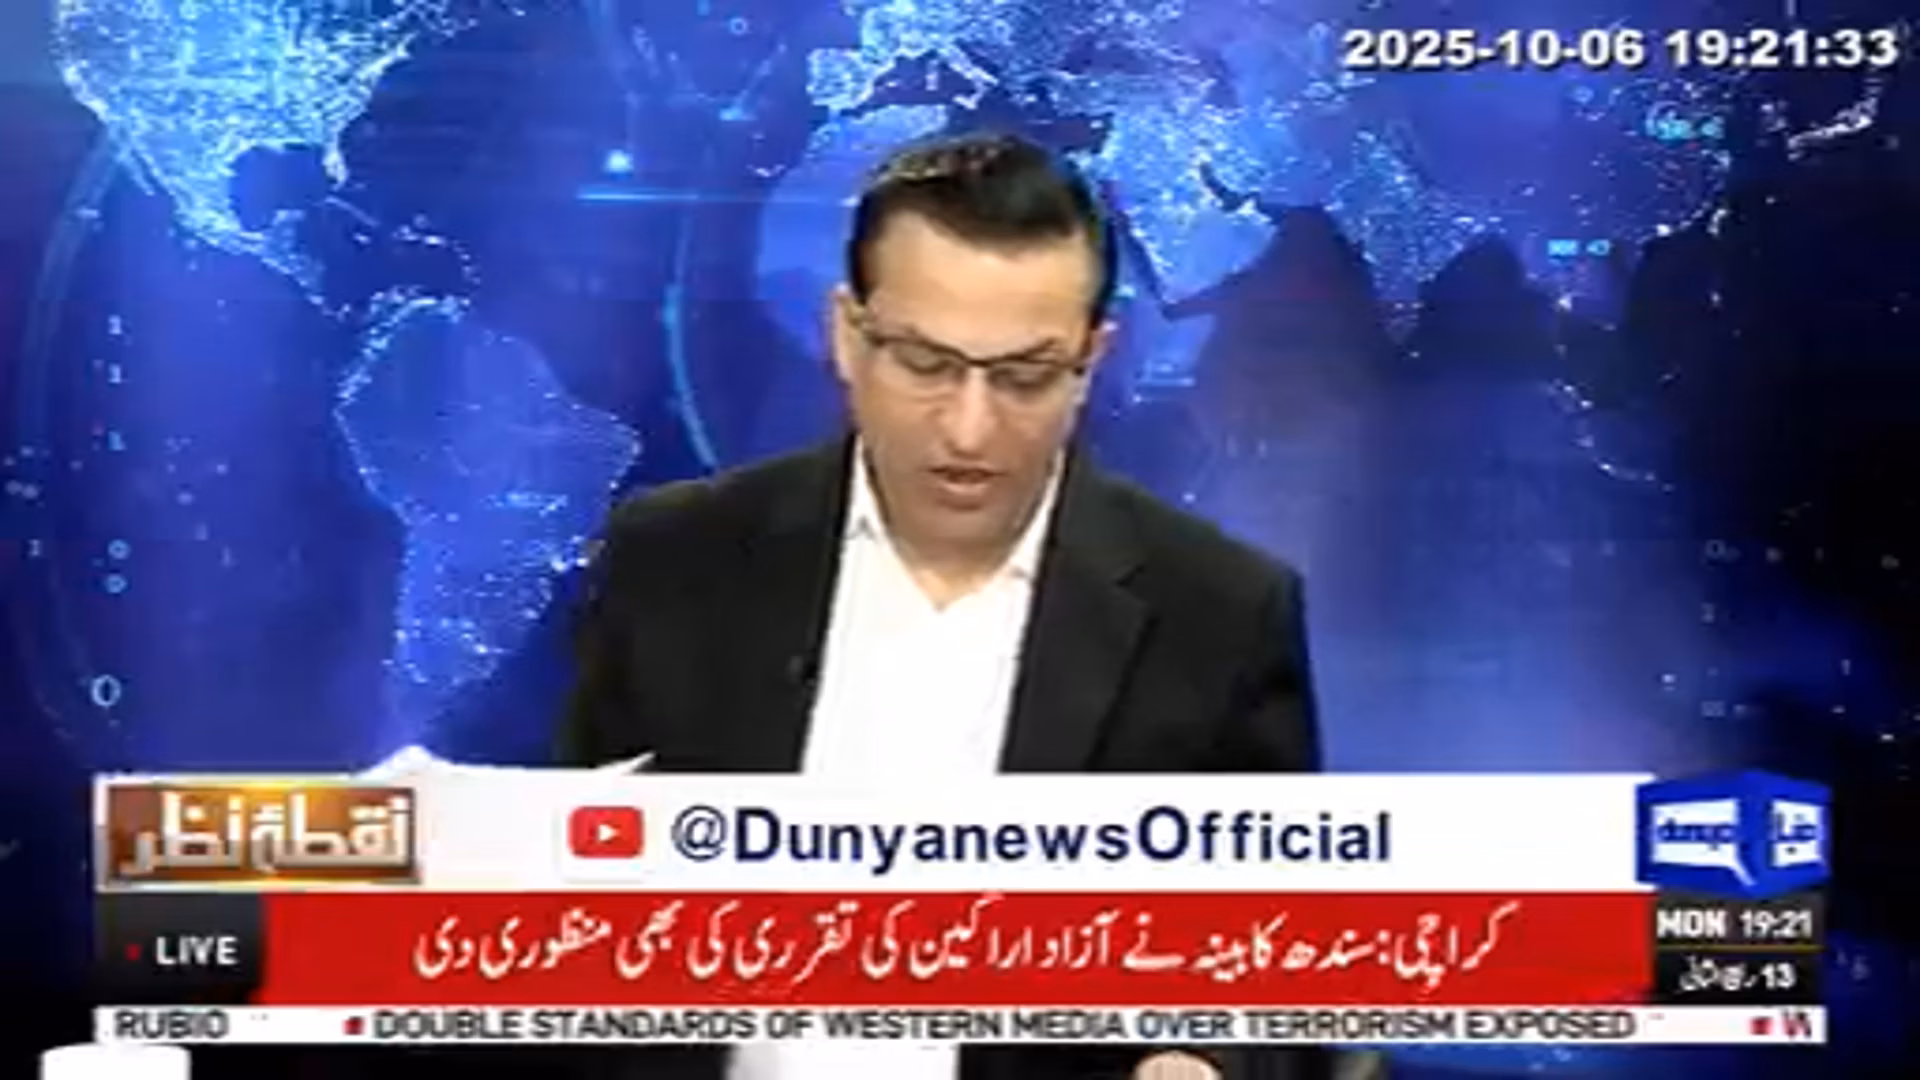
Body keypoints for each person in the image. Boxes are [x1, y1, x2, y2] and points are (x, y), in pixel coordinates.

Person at [561, 131, 1342, 1080]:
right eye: (926, 364)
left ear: (1091, 361)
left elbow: (1277, 978)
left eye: (1024, 375)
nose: (970, 429)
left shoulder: (1218, 614)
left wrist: (1206, 1056)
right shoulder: (675, 560)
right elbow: (566, 899)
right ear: (848, 335)